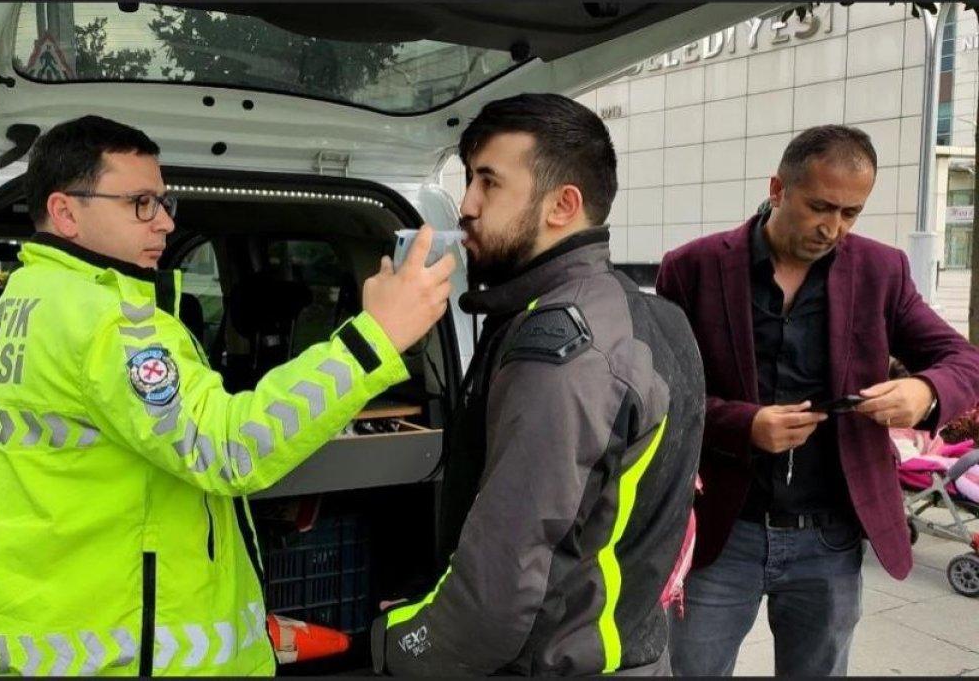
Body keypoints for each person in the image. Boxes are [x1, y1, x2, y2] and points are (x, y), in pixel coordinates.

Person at [0, 115, 456, 676]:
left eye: (163, 203)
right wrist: (374, 338)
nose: (163, 221)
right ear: (65, 212)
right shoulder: (112, 325)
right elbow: (231, 447)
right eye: (140, 202)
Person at [369, 93, 705, 676]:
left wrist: (393, 643)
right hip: (626, 651)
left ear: (562, 205)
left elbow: (497, 591)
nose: (467, 205)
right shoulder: (652, 317)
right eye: (469, 181)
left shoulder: (559, 349)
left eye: (488, 183)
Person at [656, 124, 979, 676]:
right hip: (721, 530)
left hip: (828, 538)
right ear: (778, 189)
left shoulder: (881, 270)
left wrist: (925, 391)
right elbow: (660, 391)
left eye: (851, 213)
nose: (833, 227)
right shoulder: (694, 266)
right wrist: (743, 424)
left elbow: (963, 361)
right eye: (820, 206)